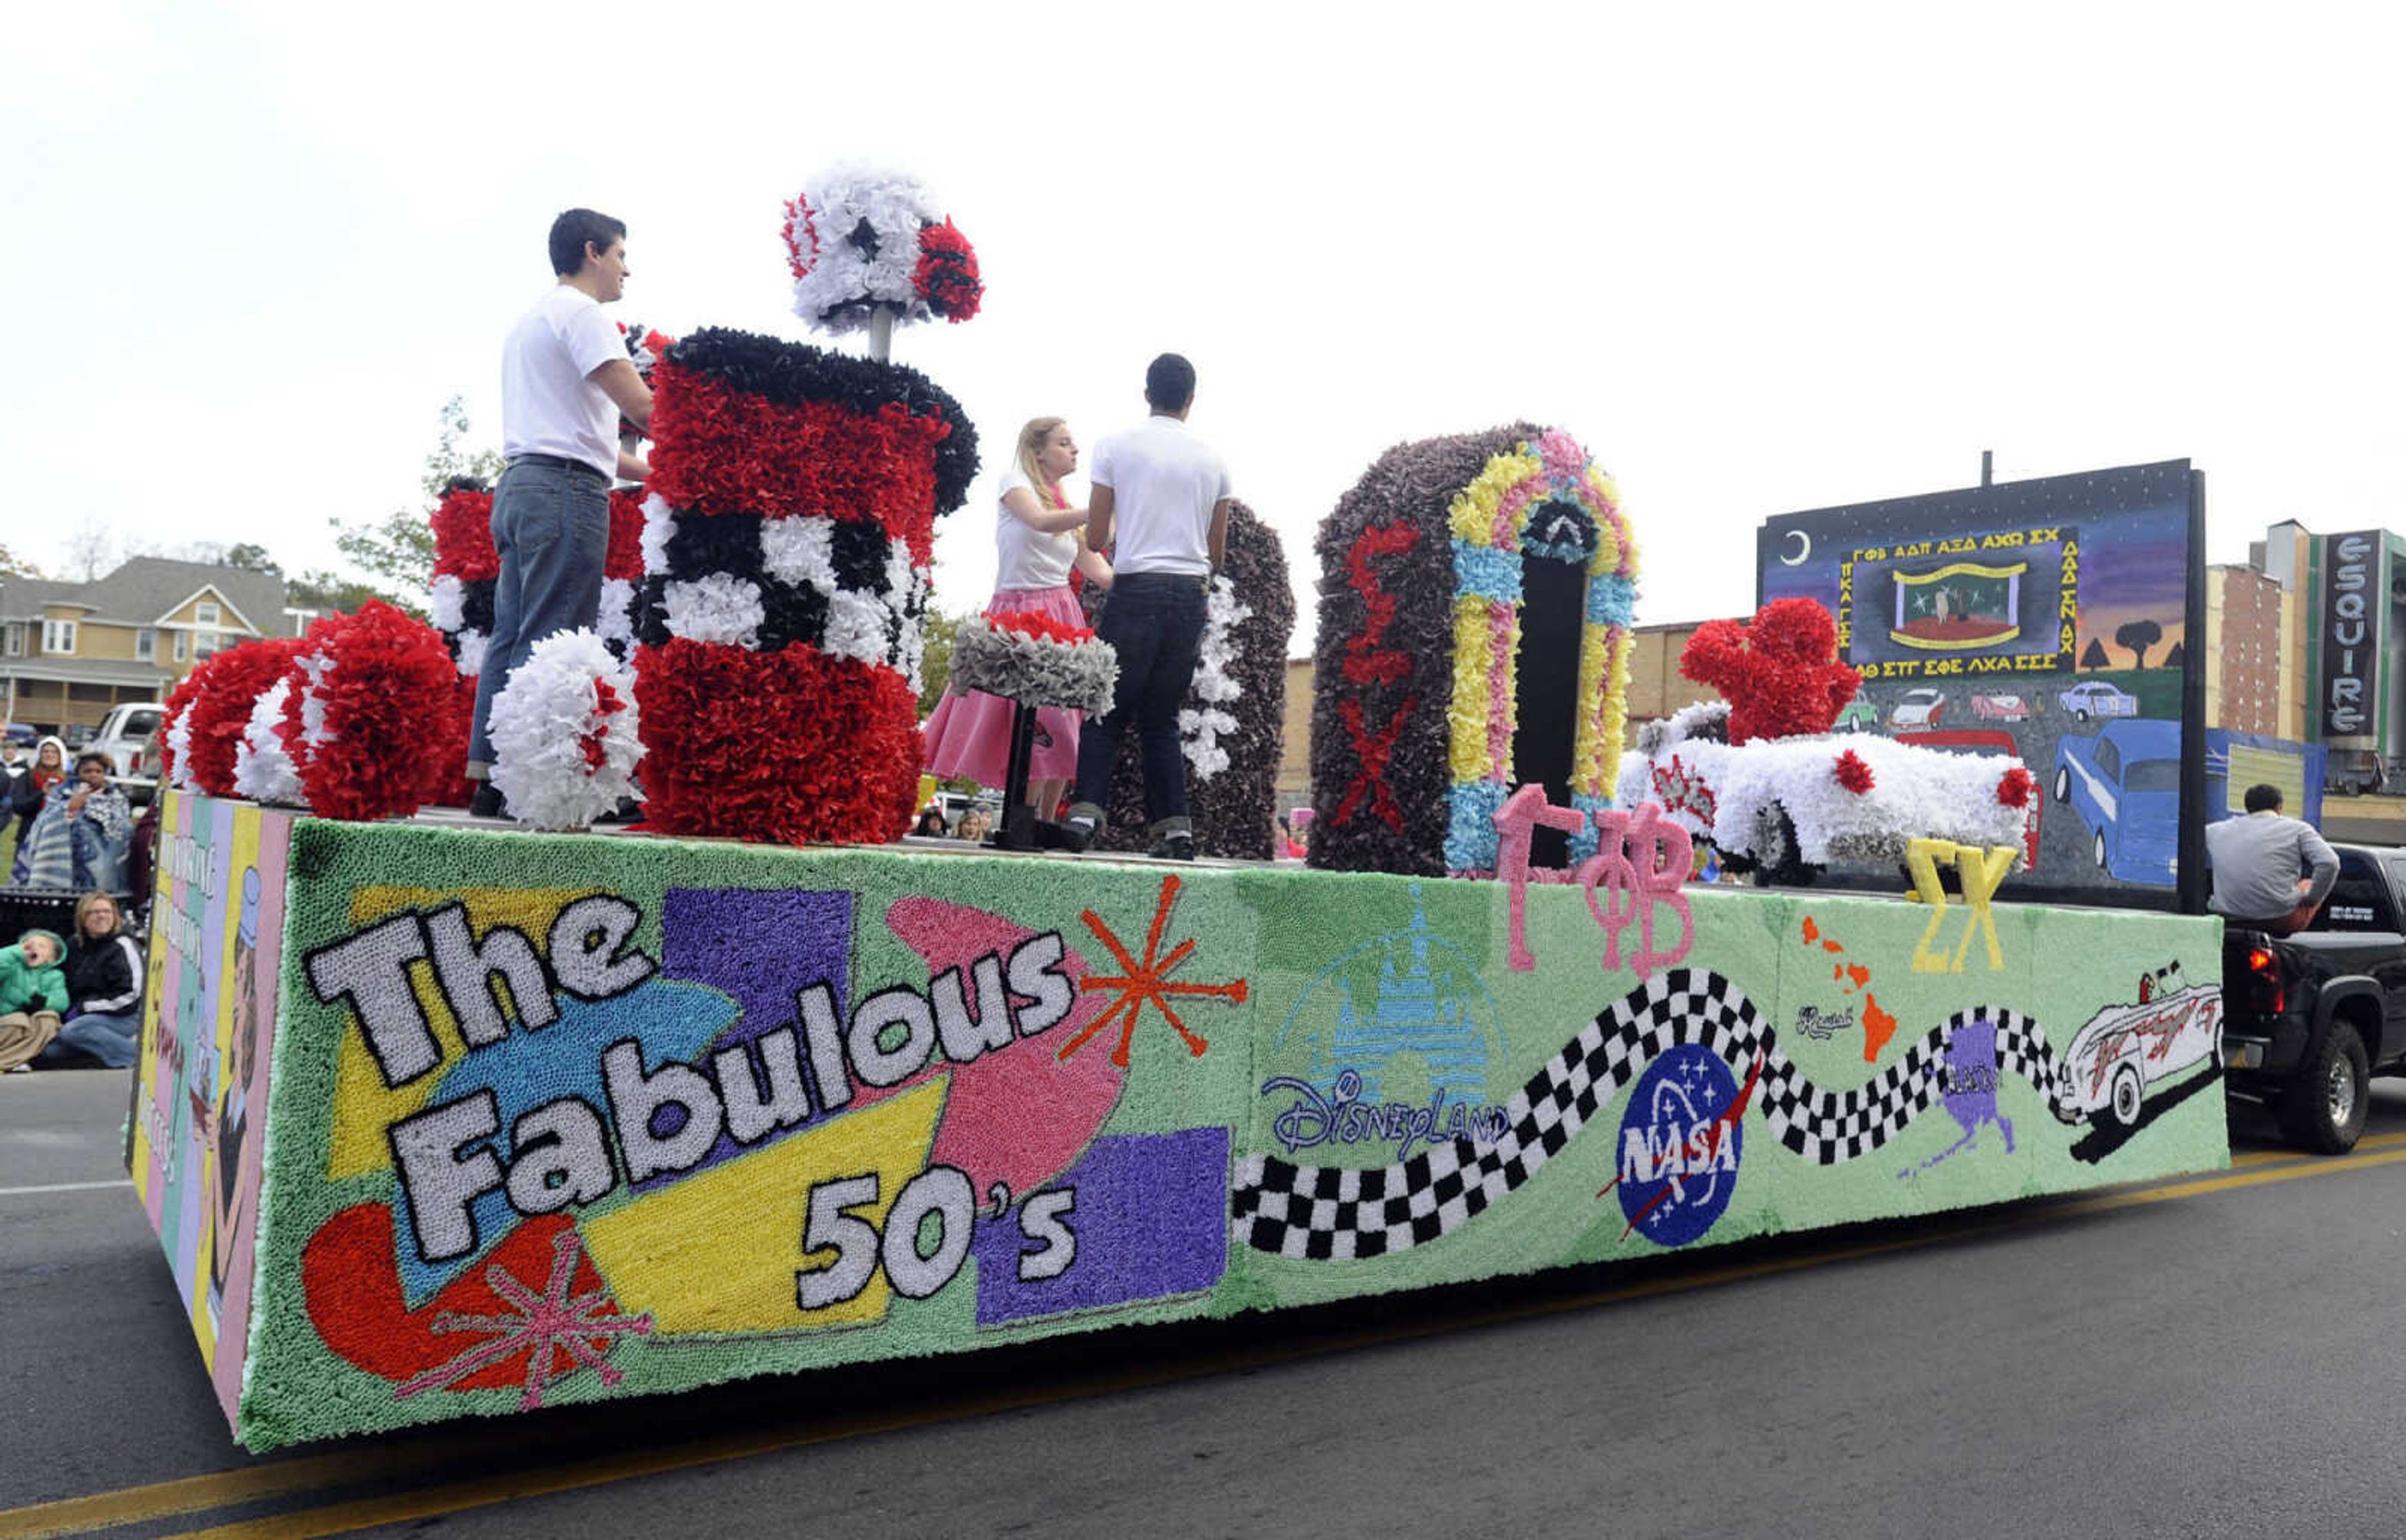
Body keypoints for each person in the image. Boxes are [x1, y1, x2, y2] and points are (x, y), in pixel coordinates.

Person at [467, 209, 655, 818]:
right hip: (565, 493)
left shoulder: (532, 321)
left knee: (514, 633)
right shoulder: (585, 315)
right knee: (556, 637)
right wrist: (719, 436)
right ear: (593, 251)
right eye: (623, 255)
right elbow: (644, 409)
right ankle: (535, 786)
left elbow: (586, 436)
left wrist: (659, 474)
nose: (629, 268)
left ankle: (492, 777)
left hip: (523, 485)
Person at [1060, 355, 1232, 861]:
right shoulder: (1214, 461)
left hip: (1136, 585)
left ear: (1146, 393)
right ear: (1191, 399)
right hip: (1189, 593)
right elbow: (1216, 552)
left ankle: (1086, 814)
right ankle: (1175, 830)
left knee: (1106, 706)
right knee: (1161, 717)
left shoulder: (1115, 446)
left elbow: (1094, 535)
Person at [924, 418, 1114, 816]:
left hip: (1062, 613)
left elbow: (1099, 571)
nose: (1075, 449)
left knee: (1063, 720)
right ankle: (1019, 816)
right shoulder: (1015, 484)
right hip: (1018, 610)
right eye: (1064, 443)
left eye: (1073, 442)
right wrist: (1097, 512)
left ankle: (1046, 820)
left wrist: (1153, 578)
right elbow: (1041, 522)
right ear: (1038, 450)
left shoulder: (1064, 503)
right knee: (1025, 723)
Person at [2205, 783, 2339, 935]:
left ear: (2247, 808)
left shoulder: (2214, 831)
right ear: (2279, 807)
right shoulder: (2299, 829)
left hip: (2228, 918)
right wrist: (2312, 899)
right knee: (2307, 884)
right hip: (2279, 920)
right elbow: (2329, 863)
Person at [31, 892, 143, 1069]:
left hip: (126, 1014)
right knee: (48, 1051)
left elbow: (132, 995)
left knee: (73, 1031)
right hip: (85, 1018)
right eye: (94, 912)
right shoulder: (74, 945)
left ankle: (137, 1057)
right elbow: (61, 982)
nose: (102, 916)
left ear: (115, 916)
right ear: (82, 918)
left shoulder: (123, 945)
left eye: (107, 912)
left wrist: (85, 1008)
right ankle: (104, 1049)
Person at [13, 752, 132, 892]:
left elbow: (124, 829)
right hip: (69, 861)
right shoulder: (61, 794)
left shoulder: (117, 799)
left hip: (108, 864)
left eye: (98, 771)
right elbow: (45, 821)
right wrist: (70, 808)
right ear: (78, 773)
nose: (93, 775)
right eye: (87, 771)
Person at [0, 928, 68, 1071]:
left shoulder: (55, 976)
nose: (34, 948)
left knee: (49, 1018)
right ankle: (11, 1061)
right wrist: (16, 952)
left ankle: (12, 1060)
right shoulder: (11, 967)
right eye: (29, 945)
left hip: (33, 1025)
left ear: (52, 958)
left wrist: (44, 1002)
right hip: (6, 1021)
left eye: (42, 946)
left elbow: (62, 1001)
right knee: (18, 1020)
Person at [9, 735, 66, 848]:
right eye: (45, 751)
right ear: (39, 754)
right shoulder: (27, 777)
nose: (50, 755)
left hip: (59, 837)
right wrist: (42, 794)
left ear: (61, 755)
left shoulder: (68, 780)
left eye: (55, 752)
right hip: (29, 834)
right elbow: (18, 806)